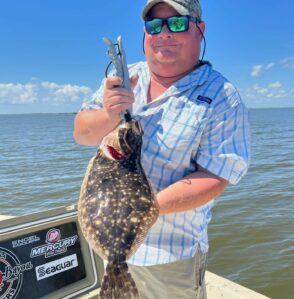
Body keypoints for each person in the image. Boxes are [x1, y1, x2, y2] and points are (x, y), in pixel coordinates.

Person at [73, 0, 250, 298]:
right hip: (110, 247)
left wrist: (143, 208)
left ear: (200, 29)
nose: (164, 33)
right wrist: (109, 114)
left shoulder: (222, 97)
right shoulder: (125, 79)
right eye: (154, 25)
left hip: (170, 257)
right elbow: (82, 134)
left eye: (177, 23)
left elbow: (216, 176)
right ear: (145, 34)